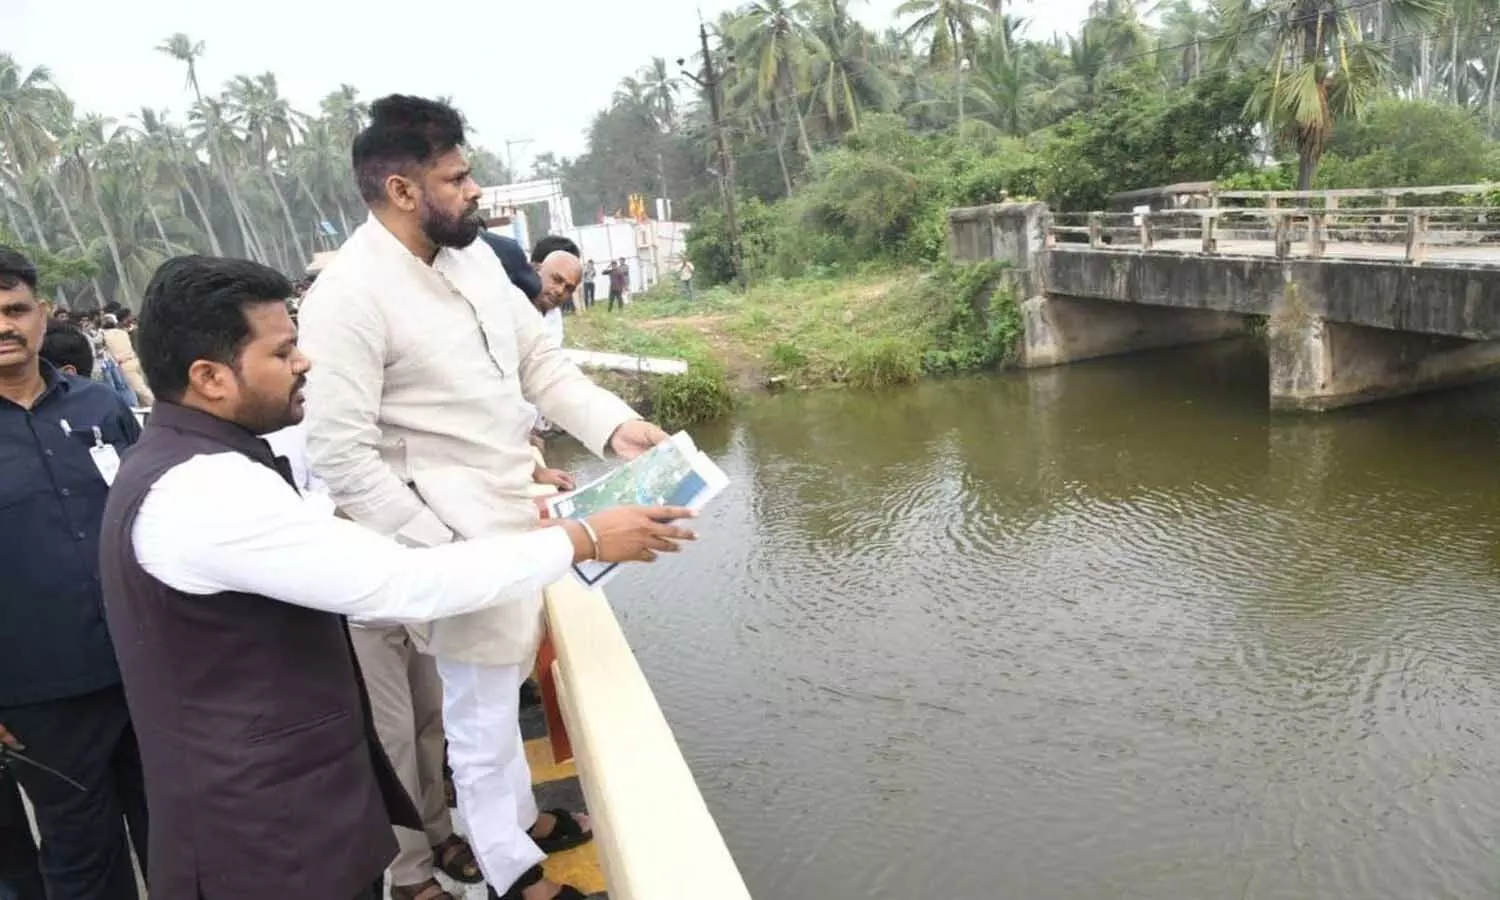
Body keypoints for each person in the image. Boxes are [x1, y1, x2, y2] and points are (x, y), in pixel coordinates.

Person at [98, 254, 693, 900]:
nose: (305, 363)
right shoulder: (204, 489)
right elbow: (406, 582)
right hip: (266, 847)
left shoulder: (192, 465)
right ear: (210, 378)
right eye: (283, 352)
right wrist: (584, 537)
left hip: (288, 822)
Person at [298, 94, 688, 900]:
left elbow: (541, 367)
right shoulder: (349, 296)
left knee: (499, 691)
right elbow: (341, 453)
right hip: (450, 536)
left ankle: (515, 828)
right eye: (459, 176)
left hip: (512, 515)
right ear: (404, 191)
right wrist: (441, 550)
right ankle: (514, 876)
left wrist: (617, 431)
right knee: (476, 717)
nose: (475, 190)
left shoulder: (474, 259)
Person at [0, 247, 148, 900]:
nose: (4, 325)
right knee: (83, 863)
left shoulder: (98, 410)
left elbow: (155, 521)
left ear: (43, 315)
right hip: (41, 699)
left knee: (177, 834)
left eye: (15, 309)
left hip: (147, 674)